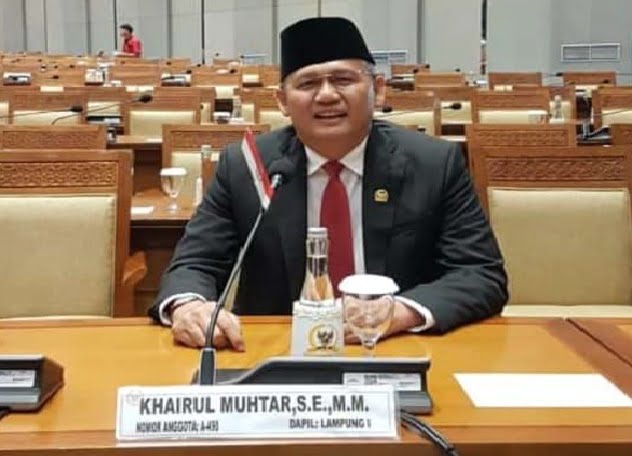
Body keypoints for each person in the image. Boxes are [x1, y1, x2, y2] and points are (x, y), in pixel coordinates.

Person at [148, 17, 508, 350]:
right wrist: (188, 306)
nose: (326, 95)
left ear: (379, 90)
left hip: (396, 347)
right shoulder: (247, 166)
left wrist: (400, 312)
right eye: (307, 84)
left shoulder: (434, 164)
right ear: (282, 102)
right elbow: (195, 263)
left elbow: (481, 273)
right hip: (274, 351)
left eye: (343, 80)